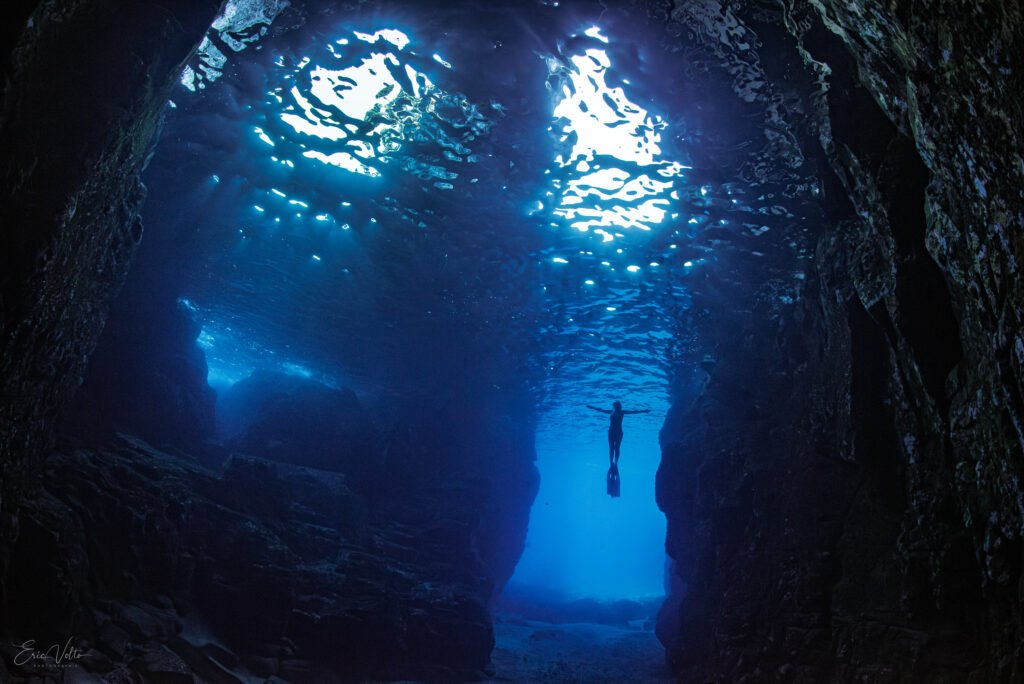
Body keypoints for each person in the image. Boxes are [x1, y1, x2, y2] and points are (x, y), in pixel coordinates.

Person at [586, 401, 650, 467]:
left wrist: (644, 411)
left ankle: (616, 463)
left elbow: (633, 412)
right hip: (611, 432)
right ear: (615, 406)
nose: (616, 407)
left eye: (617, 406)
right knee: (612, 448)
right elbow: (601, 410)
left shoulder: (622, 412)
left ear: (618, 406)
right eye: (616, 406)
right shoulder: (612, 412)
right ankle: (611, 462)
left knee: (616, 448)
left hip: (618, 432)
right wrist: (592, 407)